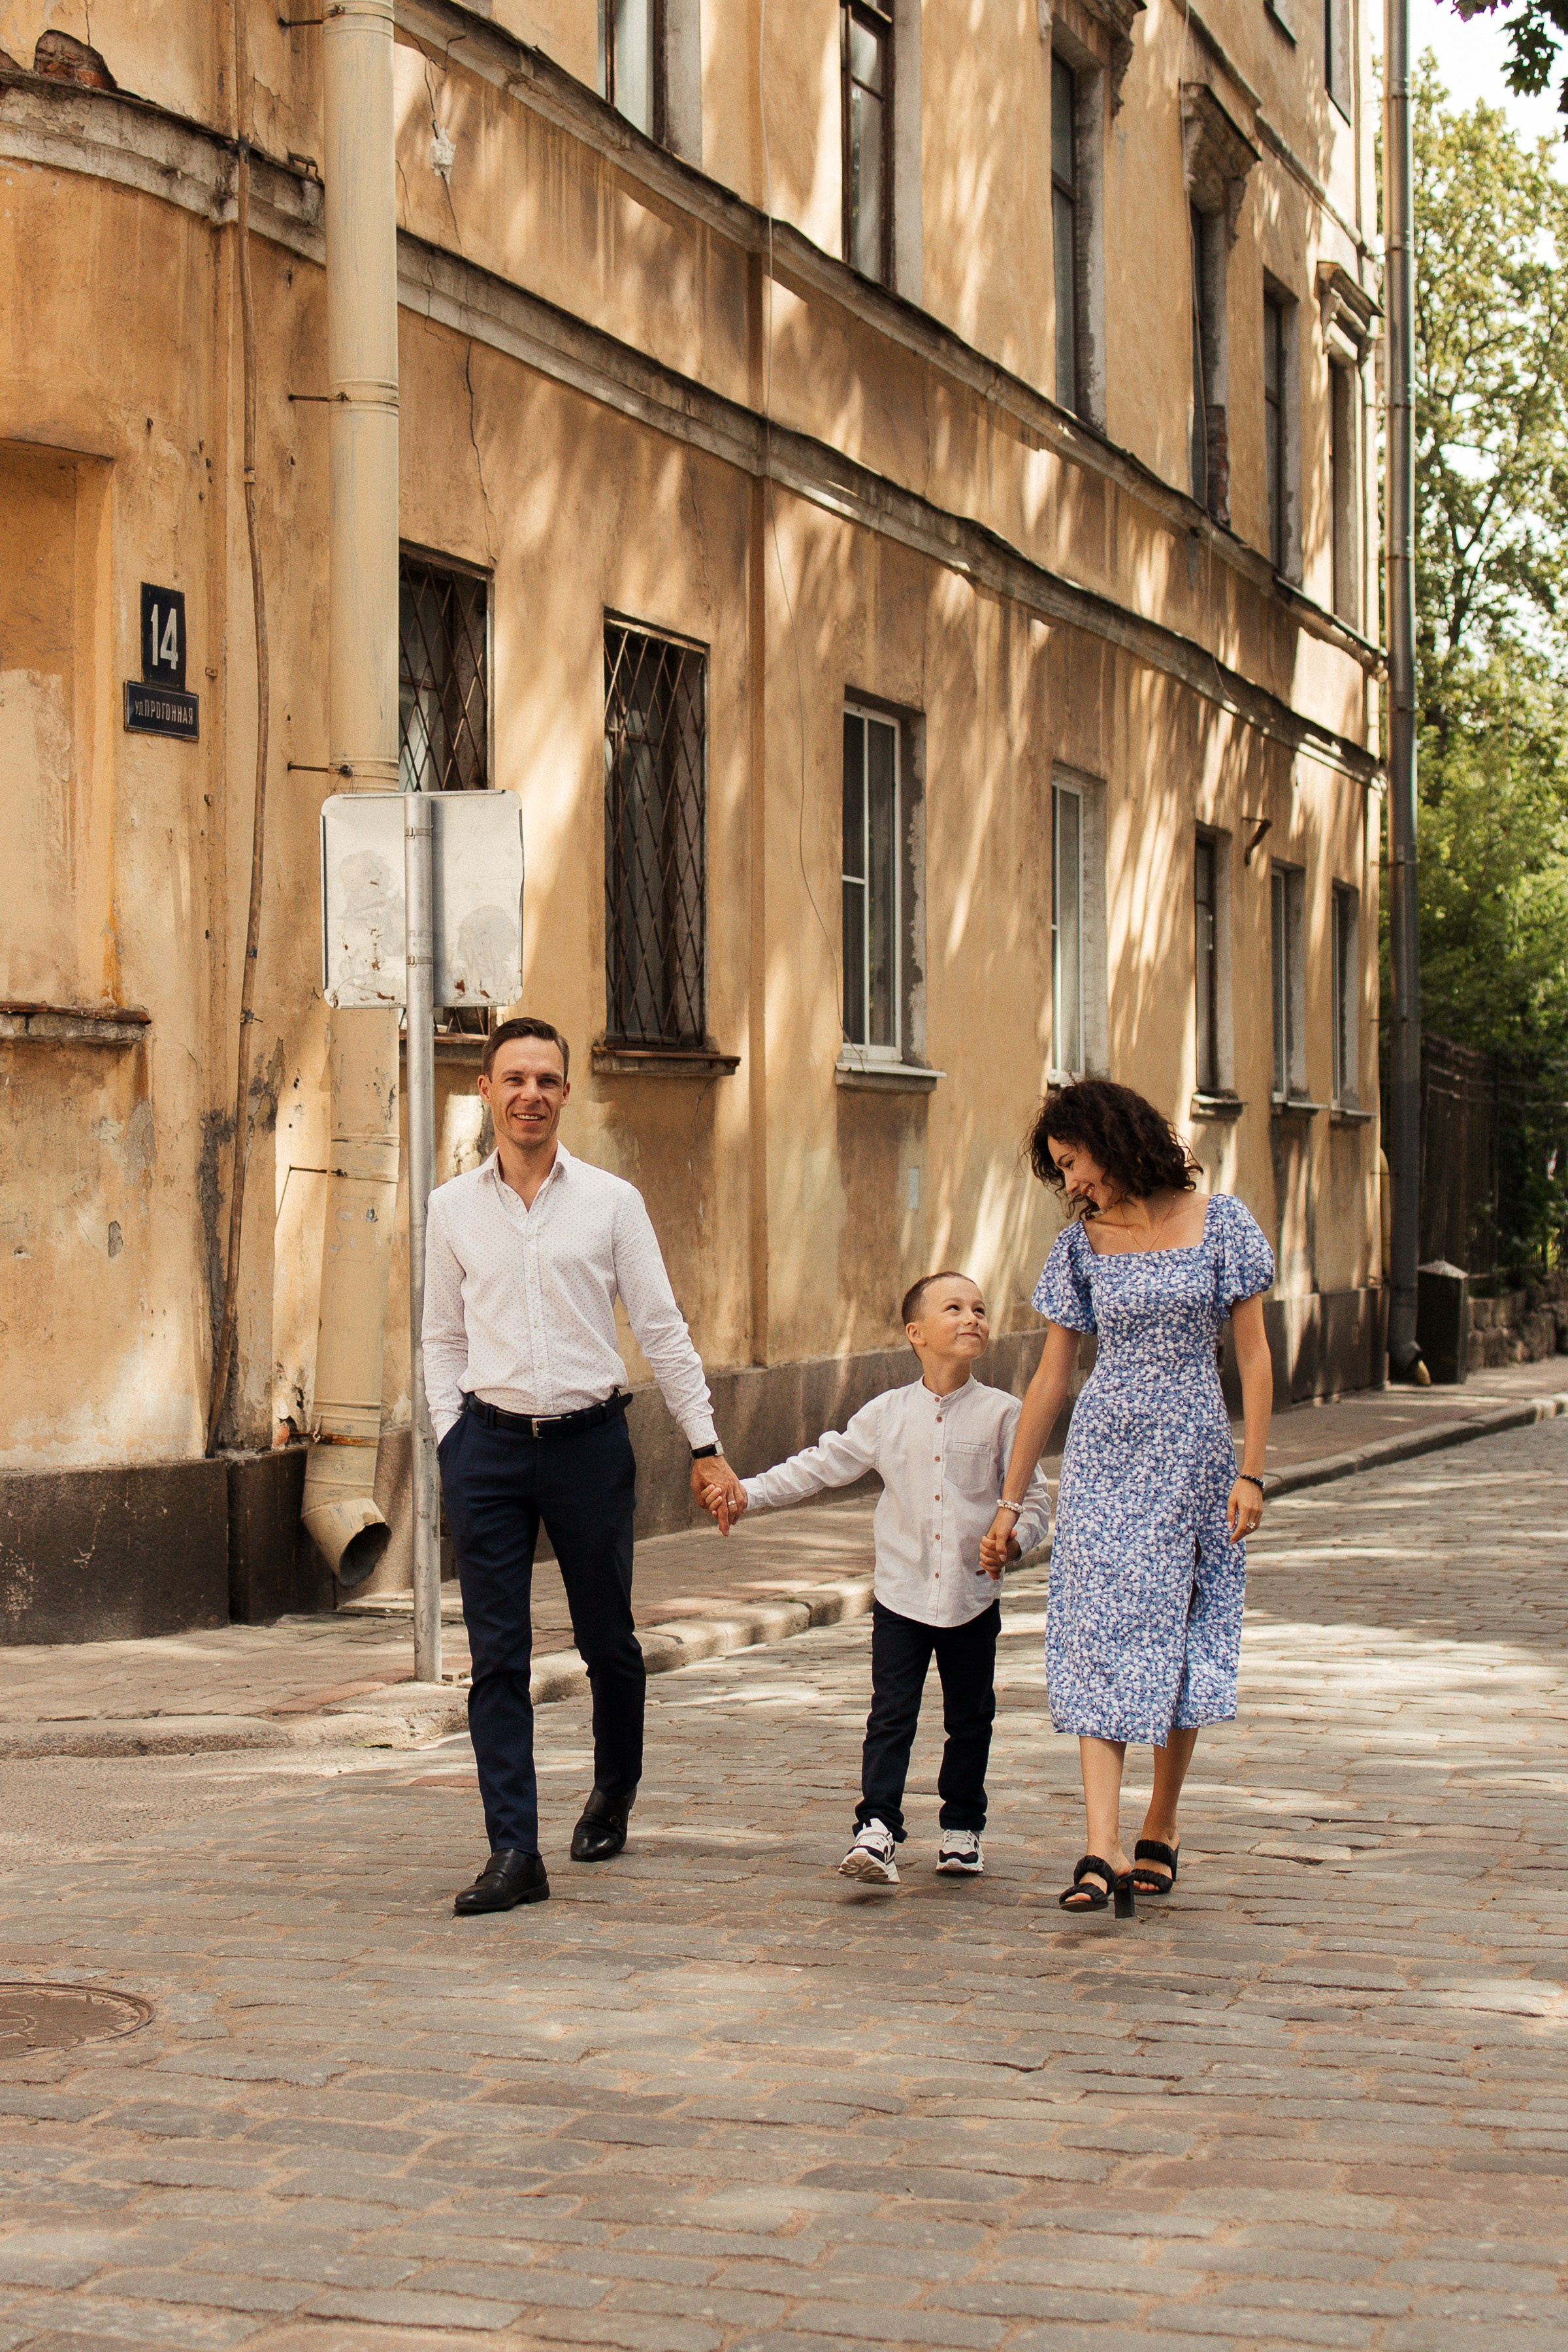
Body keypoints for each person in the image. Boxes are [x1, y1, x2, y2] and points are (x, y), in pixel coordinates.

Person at [422, 1016, 746, 1916]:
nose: (530, 1094)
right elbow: (441, 1338)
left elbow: (662, 1329)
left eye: (547, 1080)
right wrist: (453, 1440)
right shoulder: (451, 1209)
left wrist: (706, 1445)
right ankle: (514, 1850)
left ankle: (612, 1789)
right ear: (485, 1092)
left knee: (608, 1641)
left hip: (589, 1447)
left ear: (567, 1094)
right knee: (497, 1658)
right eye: (513, 1078)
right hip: (486, 1449)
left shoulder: (611, 1202)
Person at [981, 1079, 1273, 1916]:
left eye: (1073, 1164)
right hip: (1107, 1456)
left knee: (1181, 1630)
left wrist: (1252, 1472)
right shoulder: (1081, 1247)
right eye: (1061, 1171)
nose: (1070, 1184)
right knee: (1093, 1628)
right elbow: (1049, 1379)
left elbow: (1252, 1359)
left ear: (1113, 1140)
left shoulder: (1223, 1223)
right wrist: (1012, 1500)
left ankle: (1162, 1821)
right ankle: (1099, 1846)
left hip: (1195, 1457)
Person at [702, 1271, 1051, 1885]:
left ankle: (962, 1828)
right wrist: (746, 1494)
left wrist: (1016, 1540)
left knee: (971, 1717)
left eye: (979, 1308)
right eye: (954, 1309)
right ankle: (878, 1828)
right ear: (916, 1333)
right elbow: (820, 1465)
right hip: (902, 1594)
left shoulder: (1005, 1415)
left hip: (972, 1596)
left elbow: (1036, 1500)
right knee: (891, 1713)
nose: (972, 1318)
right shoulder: (887, 1414)